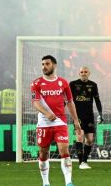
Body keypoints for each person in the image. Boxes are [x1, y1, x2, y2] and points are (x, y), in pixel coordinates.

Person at [31, 55, 83, 186]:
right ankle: (46, 182)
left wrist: (76, 121)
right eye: (42, 64)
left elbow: (70, 103)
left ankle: (69, 182)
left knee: (64, 151)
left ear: (54, 65)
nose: (44, 66)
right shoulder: (36, 83)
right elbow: (35, 102)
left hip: (60, 122)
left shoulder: (63, 83)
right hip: (44, 123)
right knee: (43, 153)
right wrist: (47, 113)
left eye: (47, 64)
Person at [70, 66, 102, 170]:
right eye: (82, 72)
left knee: (89, 140)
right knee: (80, 136)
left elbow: (97, 101)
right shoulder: (73, 84)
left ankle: (84, 161)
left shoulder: (93, 85)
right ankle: (81, 162)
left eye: (85, 72)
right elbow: (67, 100)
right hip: (77, 116)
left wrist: (101, 114)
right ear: (79, 73)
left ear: (89, 73)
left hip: (89, 116)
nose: (83, 73)